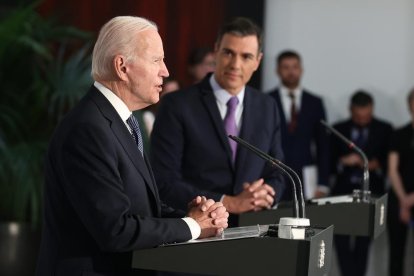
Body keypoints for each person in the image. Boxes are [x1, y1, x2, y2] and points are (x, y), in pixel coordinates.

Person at [35, 16, 228, 276]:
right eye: (156, 60)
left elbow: (140, 208)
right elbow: (115, 229)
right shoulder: (87, 129)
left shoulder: (122, 121)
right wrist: (192, 226)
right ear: (122, 67)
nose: (166, 71)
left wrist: (193, 214)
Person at [150, 17, 285, 226]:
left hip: (254, 232)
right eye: (228, 53)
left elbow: (278, 171)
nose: (235, 64)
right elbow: (163, 182)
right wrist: (228, 203)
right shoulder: (177, 105)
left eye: (246, 56)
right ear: (216, 51)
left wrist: (267, 194)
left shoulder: (267, 106)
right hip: (196, 232)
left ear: (258, 61)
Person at [330, 90, 392, 276]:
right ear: (351, 110)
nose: (363, 120)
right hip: (342, 193)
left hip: (371, 193)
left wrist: (376, 164)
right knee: (340, 240)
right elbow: (327, 161)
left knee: (363, 242)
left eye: (367, 117)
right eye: (358, 117)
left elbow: (391, 160)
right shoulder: (338, 129)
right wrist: (343, 161)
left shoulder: (384, 129)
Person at [268, 50, 330, 200]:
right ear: (277, 71)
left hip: (306, 176)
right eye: (286, 67)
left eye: (295, 67)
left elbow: (324, 145)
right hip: (273, 174)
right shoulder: (267, 100)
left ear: (301, 70)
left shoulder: (315, 102)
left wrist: (323, 183)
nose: (291, 72)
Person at [387, 88, 414, 276]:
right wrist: (404, 200)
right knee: (396, 253)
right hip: (399, 198)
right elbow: (392, 170)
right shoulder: (399, 134)